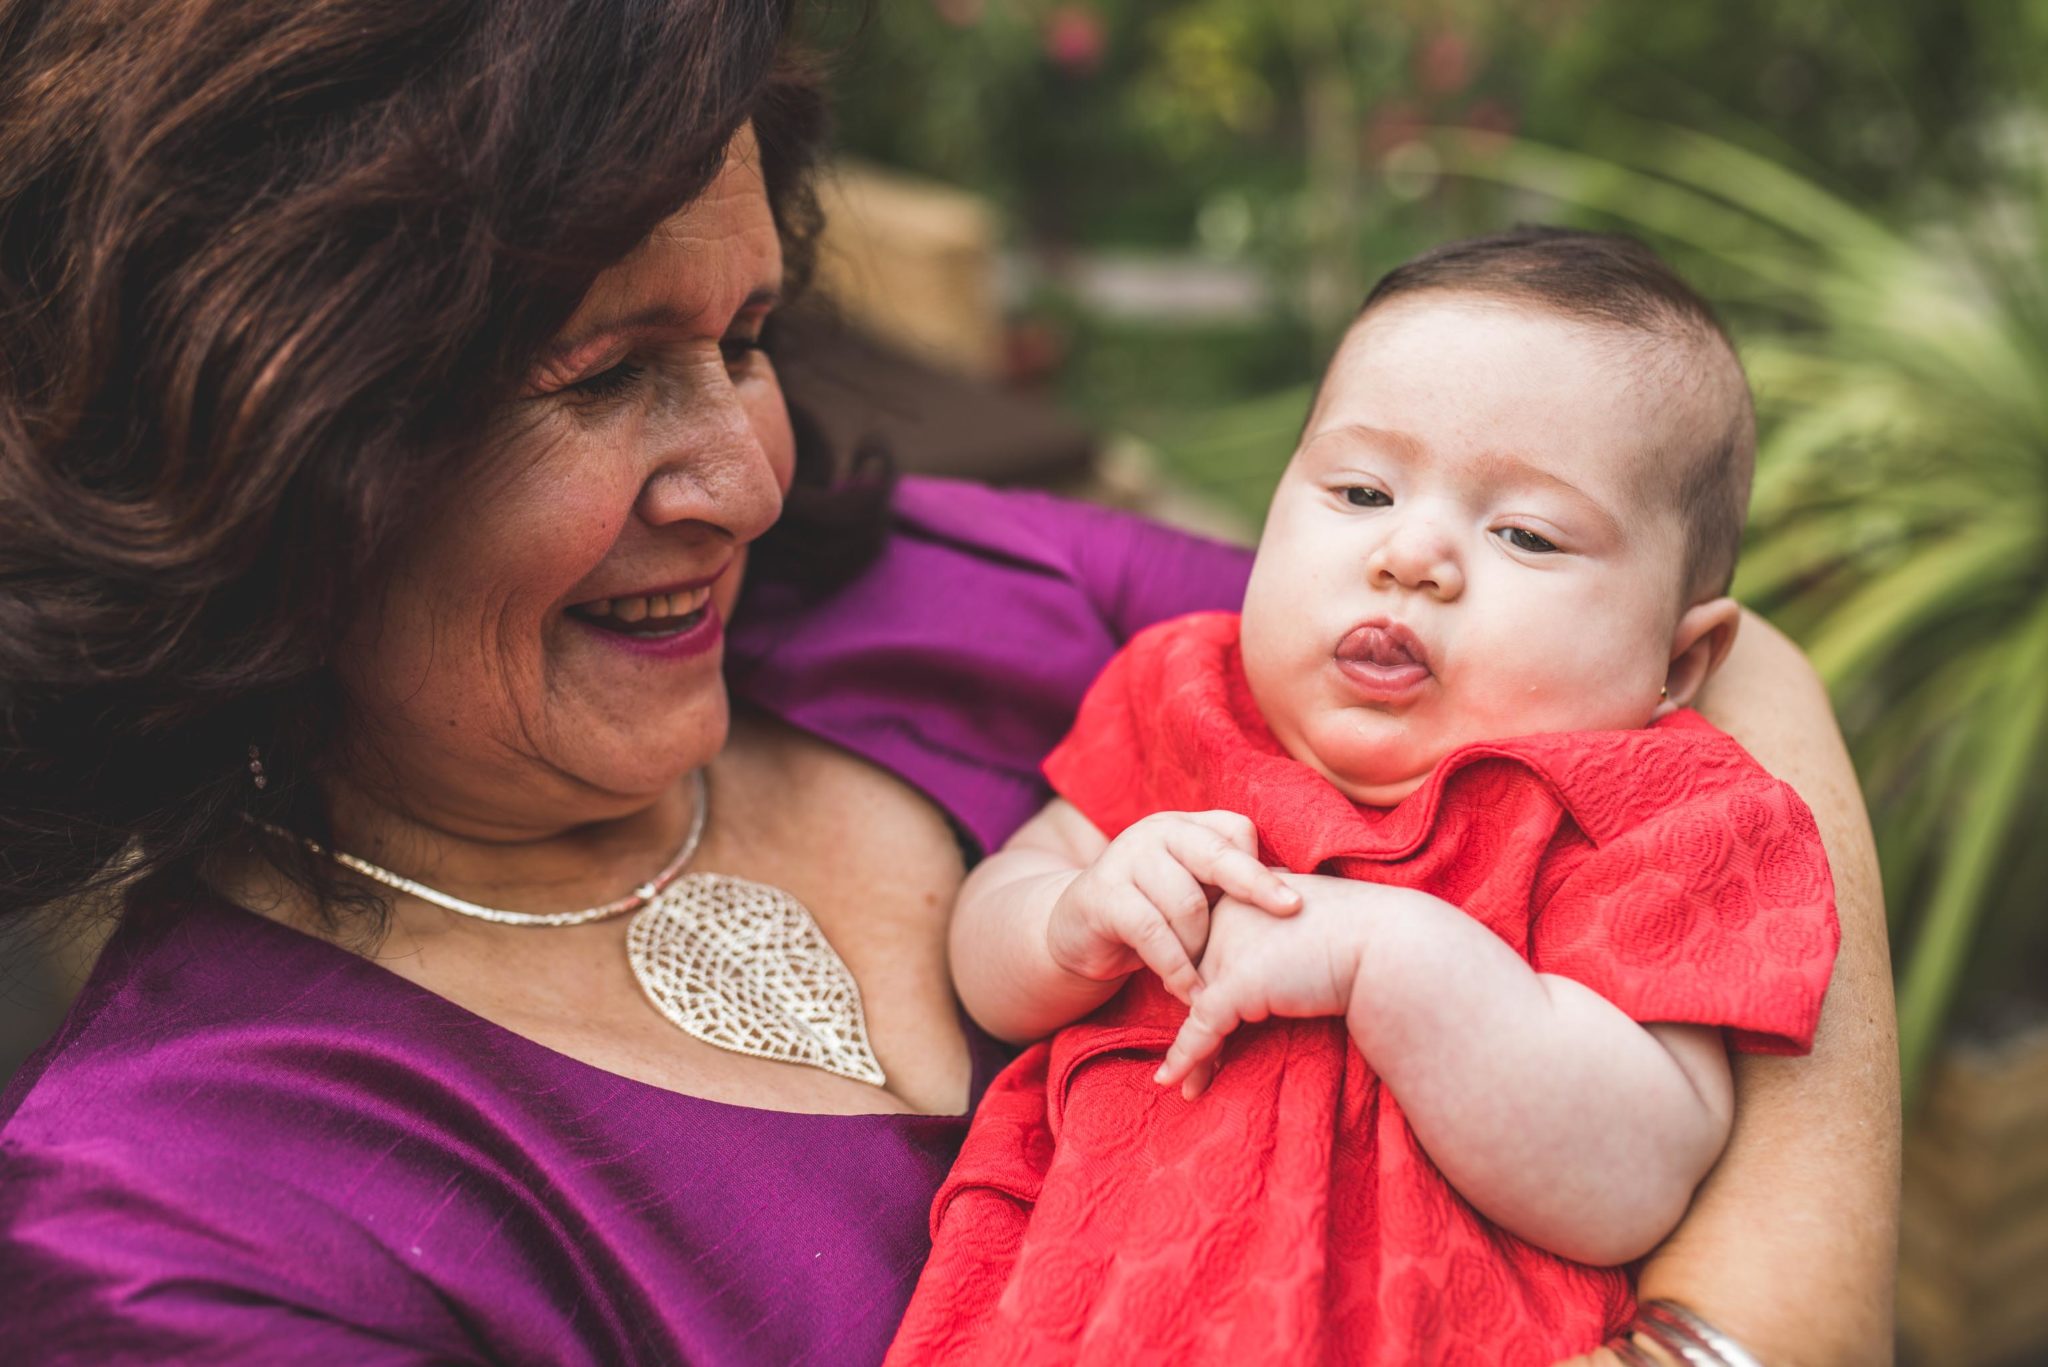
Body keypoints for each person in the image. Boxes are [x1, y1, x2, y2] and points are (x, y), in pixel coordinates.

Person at [0, 3, 1896, 1365]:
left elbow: (1719, 695)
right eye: (597, 375)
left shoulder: (946, 589)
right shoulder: (195, 1234)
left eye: (744, 336)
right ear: (266, 443)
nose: (748, 472)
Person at [891, 230, 1838, 1366]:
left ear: (1678, 663)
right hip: (1077, 1298)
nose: (1411, 553)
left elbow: (1636, 1171)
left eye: (1525, 533)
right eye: (1358, 488)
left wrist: (1395, 962)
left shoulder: (1652, 814)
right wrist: (1066, 915)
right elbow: (988, 969)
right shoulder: (1185, 700)